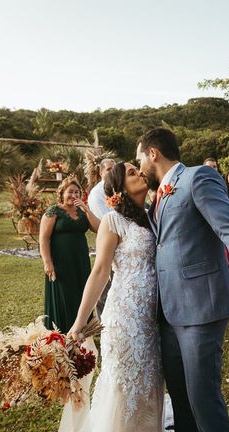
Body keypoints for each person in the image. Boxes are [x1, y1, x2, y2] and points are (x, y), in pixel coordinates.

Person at [136, 128, 229, 432]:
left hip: (200, 305)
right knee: (180, 399)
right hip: (168, 311)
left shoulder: (198, 178)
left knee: (202, 398)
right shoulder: (157, 195)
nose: (140, 167)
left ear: (152, 153)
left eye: (139, 159)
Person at [66, 162, 163, 431]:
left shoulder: (152, 215)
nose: (140, 173)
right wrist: (80, 321)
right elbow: (100, 272)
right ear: (119, 189)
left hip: (152, 320)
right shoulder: (112, 221)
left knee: (150, 382)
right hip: (125, 318)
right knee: (124, 386)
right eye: (131, 173)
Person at [39, 176, 100, 333]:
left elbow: (98, 228)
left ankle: (83, 330)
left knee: (82, 293)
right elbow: (44, 238)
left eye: (77, 192)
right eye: (70, 192)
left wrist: (86, 209)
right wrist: (47, 262)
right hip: (60, 261)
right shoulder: (53, 211)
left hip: (80, 261)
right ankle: (61, 331)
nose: (74, 195)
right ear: (62, 193)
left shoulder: (82, 211)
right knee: (63, 295)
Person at [86, 158, 116, 317]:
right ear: (101, 172)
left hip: (125, 244)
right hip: (108, 244)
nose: (113, 171)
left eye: (115, 168)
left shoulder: (119, 189)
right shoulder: (97, 194)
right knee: (105, 285)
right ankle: (103, 325)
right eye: (109, 169)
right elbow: (105, 222)